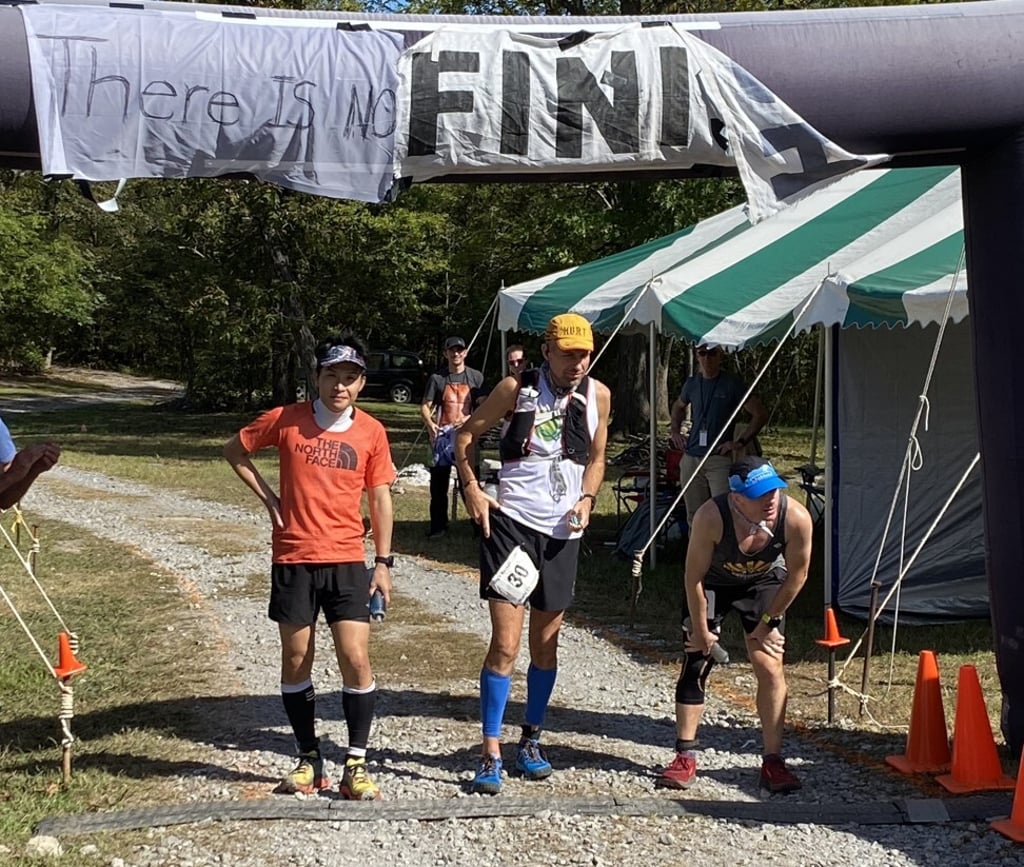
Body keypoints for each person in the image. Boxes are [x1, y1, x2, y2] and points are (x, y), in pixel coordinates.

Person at [224, 334, 395, 801]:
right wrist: (270, 500)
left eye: (350, 378)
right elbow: (235, 451)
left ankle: (355, 764)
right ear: (316, 377)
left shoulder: (372, 433)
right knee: (296, 658)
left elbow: (379, 497)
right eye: (331, 376)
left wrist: (382, 562)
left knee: (356, 658)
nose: (340, 386)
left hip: (345, 559)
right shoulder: (286, 420)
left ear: (360, 383)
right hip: (294, 556)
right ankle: (308, 758)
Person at [454, 313, 611, 795]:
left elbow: (598, 458)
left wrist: (587, 498)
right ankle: (490, 751)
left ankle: (532, 740)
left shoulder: (599, 395)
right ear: (547, 352)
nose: (577, 363)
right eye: (568, 354)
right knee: (506, 644)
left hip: (563, 535)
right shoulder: (513, 388)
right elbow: (464, 437)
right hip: (513, 529)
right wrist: (474, 491)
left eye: (584, 354)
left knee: (546, 645)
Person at [658, 456, 813, 794]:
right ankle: (685, 755)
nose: (771, 499)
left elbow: (798, 576)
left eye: (774, 490)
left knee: (769, 663)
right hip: (712, 583)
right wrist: (700, 628)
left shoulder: (795, 518)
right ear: (736, 497)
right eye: (760, 494)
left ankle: (773, 760)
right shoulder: (711, 517)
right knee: (697, 658)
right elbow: (693, 577)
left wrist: (769, 623)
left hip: (764, 581)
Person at [669, 345, 768, 530]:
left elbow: (760, 414)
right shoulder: (691, 383)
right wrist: (675, 431)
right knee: (694, 514)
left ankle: (723, 556)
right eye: (702, 353)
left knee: (724, 512)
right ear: (696, 356)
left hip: (718, 458)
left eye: (712, 353)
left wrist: (740, 442)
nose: (707, 359)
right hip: (691, 457)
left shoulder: (731, 384)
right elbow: (678, 407)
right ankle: (697, 556)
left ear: (720, 355)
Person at [420, 336, 486, 538]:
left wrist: (470, 418)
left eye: (460, 350)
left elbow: (484, 405)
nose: (456, 354)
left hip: (466, 437)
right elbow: (425, 406)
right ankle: (438, 526)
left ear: (465, 352)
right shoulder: (437, 378)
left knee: (470, 481)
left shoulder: (476, 377)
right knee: (438, 486)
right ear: (446, 353)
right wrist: (430, 424)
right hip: (442, 437)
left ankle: (479, 525)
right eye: (452, 350)